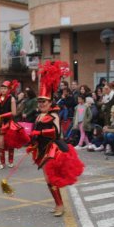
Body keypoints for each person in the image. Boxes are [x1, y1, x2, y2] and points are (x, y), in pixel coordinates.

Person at [27, 60, 84, 217]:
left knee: (50, 178)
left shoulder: (53, 114)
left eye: (43, 101)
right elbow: (35, 131)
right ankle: (58, 204)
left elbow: (56, 132)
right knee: (48, 179)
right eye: (39, 101)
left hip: (53, 149)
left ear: (50, 101)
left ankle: (60, 205)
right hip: (42, 149)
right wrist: (32, 141)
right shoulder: (39, 116)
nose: (41, 104)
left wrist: (39, 134)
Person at [0, 80, 29, 169]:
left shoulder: (12, 99)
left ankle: (10, 161)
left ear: (9, 89)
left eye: (5, 88)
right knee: (1, 143)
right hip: (0, 123)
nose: (3, 90)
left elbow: (13, 113)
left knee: (10, 143)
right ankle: (2, 163)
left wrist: (0, 115)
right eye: (1, 88)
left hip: (9, 123)